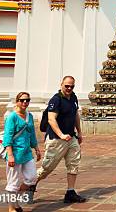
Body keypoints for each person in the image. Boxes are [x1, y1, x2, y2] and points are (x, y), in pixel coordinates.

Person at [31, 75, 86, 203]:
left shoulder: (73, 97)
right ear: (61, 84)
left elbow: (76, 115)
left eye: (71, 86)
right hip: (56, 139)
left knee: (74, 163)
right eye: (66, 86)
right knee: (47, 168)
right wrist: (61, 134)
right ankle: (31, 184)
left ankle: (70, 192)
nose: (69, 88)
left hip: (71, 138)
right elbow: (51, 119)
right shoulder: (56, 100)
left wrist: (79, 132)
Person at [3, 92, 41, 212]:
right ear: (17, 101)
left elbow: (32, 134)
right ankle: (11, 208)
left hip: (27, 153)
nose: (25, 102)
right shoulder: (12, 117)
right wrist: (10, 156)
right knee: (12, 182)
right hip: (15, 154)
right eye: (22, 100)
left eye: (27, 100)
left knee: (32, 178)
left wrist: (36, 148)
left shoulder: (29, 116)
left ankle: (15, 201)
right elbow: (7, 138)